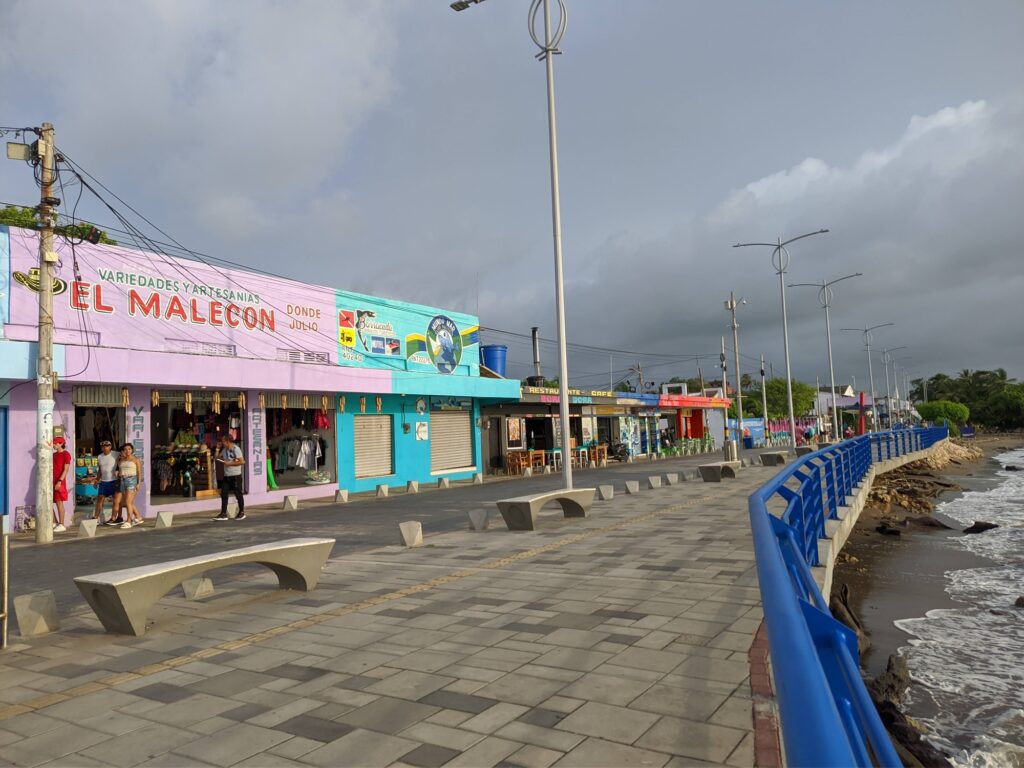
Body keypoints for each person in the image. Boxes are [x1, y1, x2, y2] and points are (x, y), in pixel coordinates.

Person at [214, 434, 246, 521]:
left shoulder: (236, 449)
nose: (222, 443)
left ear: (228, 441)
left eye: (223, 441)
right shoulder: (224, 450)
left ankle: (241, 512)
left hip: (235, 476)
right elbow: (217, 458)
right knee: (224, 494)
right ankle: (223, 513)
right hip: (227, 476)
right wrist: (217, 449)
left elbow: (242, 461)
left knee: (238, 494)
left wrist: (230, 463)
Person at [113, 443, 144, 529]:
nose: (127, 451)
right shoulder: (120, 460)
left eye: (129, 449)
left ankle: (129, 521)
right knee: (128, 502)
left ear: (132, 450)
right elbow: (118, 470)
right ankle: (138, 517)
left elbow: (139, 473)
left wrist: (138, 484)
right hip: (122, 481)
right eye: (125, 449)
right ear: (123, 451)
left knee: (128, 502)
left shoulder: (136, 459)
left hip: (132, 480)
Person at [94, 440, 121, 523]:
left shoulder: (116, 454)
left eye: (107, 446)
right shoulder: (99, 456)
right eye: (103, 446)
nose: (105, 448)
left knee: (116, 501)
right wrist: (97, 479)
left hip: (114, 481)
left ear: (110, 446)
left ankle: (116, 518)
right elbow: (100, 470)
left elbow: (124, 460)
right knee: (100, 499)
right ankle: (95, 518)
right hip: (104, 482)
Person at [51, 436, 73, 532]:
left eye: (55, 443)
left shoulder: (66, 454)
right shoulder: (53, 455)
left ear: (61, 443)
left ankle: (62, 524)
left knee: (59, 502)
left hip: (59, 481)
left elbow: (66, 469)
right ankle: (54, 522)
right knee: (49, 502)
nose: (54, 445)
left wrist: (60, 481)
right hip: (51, 481)